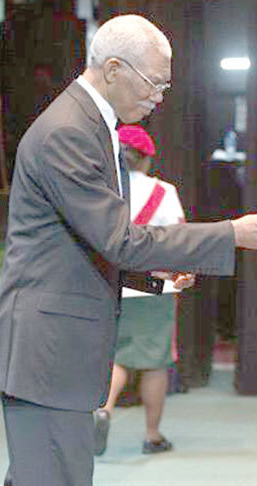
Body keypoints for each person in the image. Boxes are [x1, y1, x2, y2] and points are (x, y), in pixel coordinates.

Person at [0, 14, 257, 486]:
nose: (158, 97)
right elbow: (119, 238)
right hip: (48, 350)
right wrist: (231, 233)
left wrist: (150, 274)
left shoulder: (92, 124)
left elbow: (77, 243)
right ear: (114, 69)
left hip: (56, 347)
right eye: (153, 83)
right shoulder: (70, 131)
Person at [93, 125, 184, 456]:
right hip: (154, 285)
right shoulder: (164, 192)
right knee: (155, 361)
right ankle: (152, 434)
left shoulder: (102, 189)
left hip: (110, 283)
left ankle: (103, 409)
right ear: (146, 160)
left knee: (116, 355)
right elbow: (178, 240)